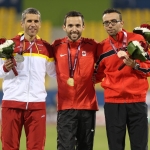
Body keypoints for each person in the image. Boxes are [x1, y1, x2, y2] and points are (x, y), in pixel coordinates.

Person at [0, 8, 56, 150]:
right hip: (12, 103)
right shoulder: (9, 45)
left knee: (36, 147)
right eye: (29, 21)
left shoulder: (46, 48)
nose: (33, 24)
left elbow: (55, 73)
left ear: (40, 24)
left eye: (36, 21)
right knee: (9, 147)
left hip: (36, 105)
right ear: (22, 23)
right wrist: (5, 68)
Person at [95, 8, 150, 150]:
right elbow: (98, 75)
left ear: (122, 23)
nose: (110, 25)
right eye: (106, 23)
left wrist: (135, 65)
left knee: (140, 146)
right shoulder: (101, 48)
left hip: (137, 101)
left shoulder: (138, 40)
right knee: (115, 147)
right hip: (113, 103)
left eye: (113, 21)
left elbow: (149, 67)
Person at [52, 10, 99, 150]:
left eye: (78, 25)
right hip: (65, 108)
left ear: (83, 27)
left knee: (85, 147)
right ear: (64, 27)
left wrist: (98, 77)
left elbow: (109, 62)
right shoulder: (55, 46)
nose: (74, 29)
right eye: (70, 25)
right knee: (64, 147)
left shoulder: (93, 46)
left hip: (87, 107)